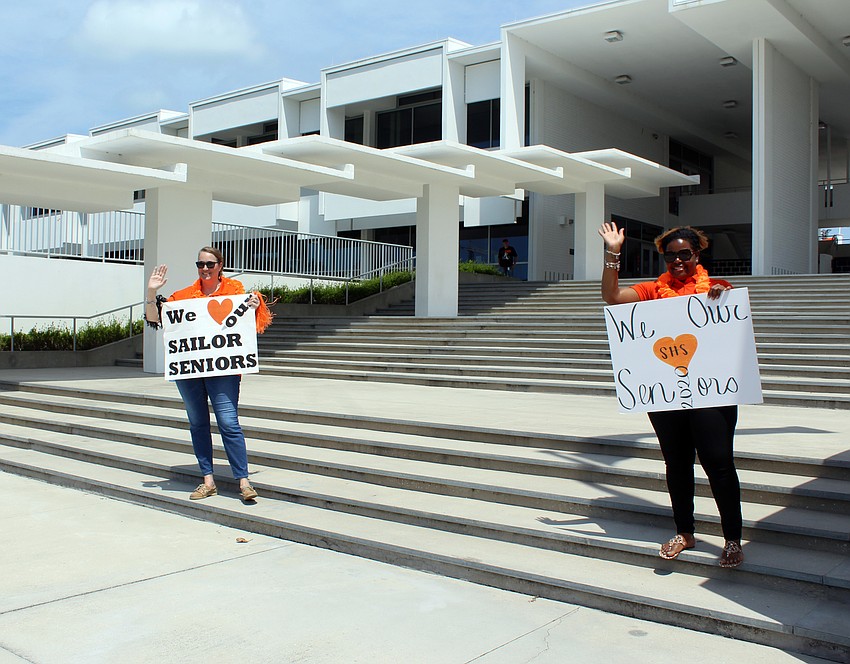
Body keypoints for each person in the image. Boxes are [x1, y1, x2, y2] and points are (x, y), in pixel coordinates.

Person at [597, 221, 744, 568]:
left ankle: (733, 539)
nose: (677, 261)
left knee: (718, 463)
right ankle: (685, 531)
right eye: (669, 256)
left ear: (697, 254)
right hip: (666, 393)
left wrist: (722, 295)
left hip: (711, 394)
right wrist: (612, 253)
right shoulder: (652, 290)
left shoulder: (717, 289)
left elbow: (728, 327)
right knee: (676, 463)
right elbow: (612, 297)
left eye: (684, 254)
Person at [144, 246, 273, 502]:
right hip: (190, 371)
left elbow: (252, 322)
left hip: (223, 371)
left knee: (229, 422)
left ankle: (244, 481)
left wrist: (255, 305)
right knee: (198, 423)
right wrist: (151, 291)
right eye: (200, 264)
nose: (205, 269)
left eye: (210, 264)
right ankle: (207, 480)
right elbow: (154, 319)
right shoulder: (183, 296)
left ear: (220, 265)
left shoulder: (235, 291)